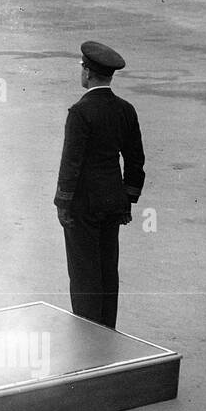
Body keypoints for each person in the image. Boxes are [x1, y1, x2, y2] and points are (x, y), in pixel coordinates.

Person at [53, 42, 146, 329]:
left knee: (84, 273)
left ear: (88, 72)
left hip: (83, 204)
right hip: (113, 201)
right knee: (108, 270)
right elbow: (135, 159)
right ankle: (108, 330)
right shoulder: (125, 109)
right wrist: (128, 198)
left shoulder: (80, 112)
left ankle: (88, 335)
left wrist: (62, 202)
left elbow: (71, 163)